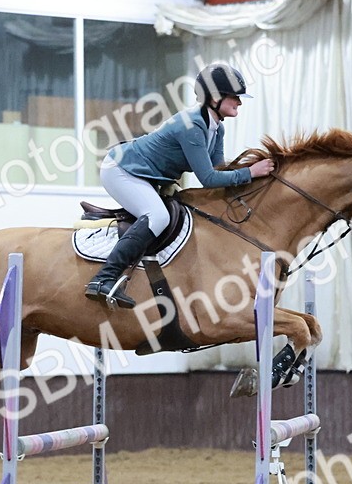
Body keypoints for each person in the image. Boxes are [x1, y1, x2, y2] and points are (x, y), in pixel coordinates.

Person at [84, 63, 277, 309]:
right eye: (235, 96)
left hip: (145, 175)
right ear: (215, 97)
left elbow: (219, 173)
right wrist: (250, 172)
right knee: (158, 217)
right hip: (122, 170)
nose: (239, 102)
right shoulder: (193, 126)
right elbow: (207, 179)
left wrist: (255, 177)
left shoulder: (216, 128)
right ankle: (103, 279)